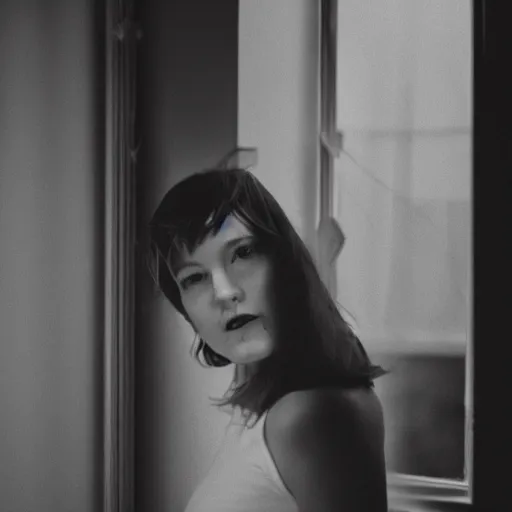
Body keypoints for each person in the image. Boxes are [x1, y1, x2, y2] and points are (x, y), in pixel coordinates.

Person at [148, 167, 388, 512]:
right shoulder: (264, 406)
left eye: (243, 253)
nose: (225, 292)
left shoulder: (310, 414)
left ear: (287, 262)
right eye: (194, 277)